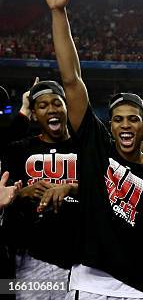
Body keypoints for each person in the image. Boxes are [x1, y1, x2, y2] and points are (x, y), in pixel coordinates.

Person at [42, 0, 143, 299]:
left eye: (133, 119)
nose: (125, 124)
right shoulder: (97, 148)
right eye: (118, 119)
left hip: (139, 288)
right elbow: (72, 79)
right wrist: (58, 12)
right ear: (109, 126)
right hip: (89, 284)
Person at [1, 80, 80, 299]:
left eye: (57, 103)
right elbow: (4, 196)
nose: (52, 109)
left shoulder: (87, 147)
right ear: (34, 115)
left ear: (66, 108)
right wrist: (21, 194)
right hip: (32, 262)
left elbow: (104, 191)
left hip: (83, 263)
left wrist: (71, 188)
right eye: (43, 106)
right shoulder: (18, 149)